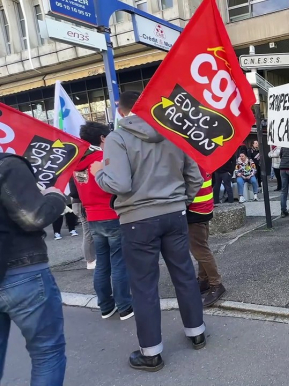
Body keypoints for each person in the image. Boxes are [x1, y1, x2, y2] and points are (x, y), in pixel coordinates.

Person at [93, 90, 206, 371]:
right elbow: (195, 176)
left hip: (137, 219)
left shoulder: (118, 138)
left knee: (144, 286)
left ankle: (152, 352)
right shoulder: (172, 132)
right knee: (184, 274)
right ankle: (197, 332)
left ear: (121, 110)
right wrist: (181, 201)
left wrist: (98, 173)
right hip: (175, 214)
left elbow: (119, 184)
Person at [0, 153, 67, 384]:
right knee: (47, 352)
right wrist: (55, 196)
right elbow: (34, 217)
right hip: (21, 269)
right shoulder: (7, 164)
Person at [74, 121, 134, 320]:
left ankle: (105, 306)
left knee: (102, 263)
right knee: (118, 262)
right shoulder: (103, 158)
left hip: (92, 217)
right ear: (102, 138)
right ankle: (125, 306)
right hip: (111, 213)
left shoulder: (77, 164)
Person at [188, 167, 226, 307]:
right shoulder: (201, 155)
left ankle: (216, 283)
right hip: (204, 206)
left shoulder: (190, 156)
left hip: (194, 209)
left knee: (200, 250)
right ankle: (204, 280)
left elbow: (191, 183)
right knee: (201, 247)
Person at [69, 177, 97, 269]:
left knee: (89, 232)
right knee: (88, 232)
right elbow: (77, 191)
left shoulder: (76, 170)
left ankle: (91, 259)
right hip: (82, 204)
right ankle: (90, 260)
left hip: (80, 203)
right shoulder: (78, 171)